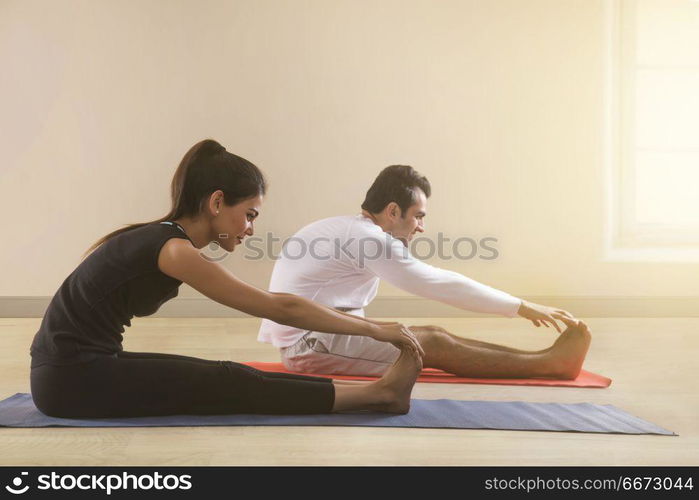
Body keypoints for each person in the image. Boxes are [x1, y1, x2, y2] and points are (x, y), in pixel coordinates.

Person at [29, 140, 425, 419]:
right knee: (225, 381)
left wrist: (371, 328)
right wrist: (375, 330)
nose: (251, 227)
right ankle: (379, 394)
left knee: (221, 375)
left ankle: (374, 393)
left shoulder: (165, 240)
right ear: (217, 202)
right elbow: (280, 307)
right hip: (72, 380)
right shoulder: (174, 250)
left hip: (76, 370)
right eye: (250, 214)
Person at [259, 165, 591, 379]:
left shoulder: (349, 228)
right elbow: (437, 283)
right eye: (418, 216)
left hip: (319, 336)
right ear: (392, 211)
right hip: (310, 347)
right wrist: (521, 306)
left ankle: (544, 359)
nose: (421, 227)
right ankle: (548, 365)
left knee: (434, 335)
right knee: (430, 342)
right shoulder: (369, 239)